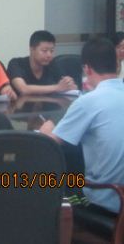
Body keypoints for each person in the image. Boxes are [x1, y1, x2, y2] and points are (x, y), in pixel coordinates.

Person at [40, 38, 124, 214]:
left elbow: (48, 144)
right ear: (117, 65)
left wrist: (46, 129)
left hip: (105, 200)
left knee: (41, 181)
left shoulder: (88, 101)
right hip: (118, 196)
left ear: (87, 69)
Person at [7, 30, 77, 96]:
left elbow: (66, 85)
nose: (49, 55)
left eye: (52, 51)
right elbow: (23, 89)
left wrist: (69, 84)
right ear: (32, 49)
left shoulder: (53, 64)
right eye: (44, 51)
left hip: (50, 104)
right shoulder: (16, 64)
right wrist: (58, 87)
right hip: (21, 104)